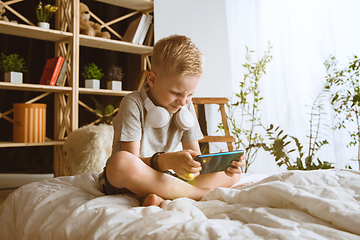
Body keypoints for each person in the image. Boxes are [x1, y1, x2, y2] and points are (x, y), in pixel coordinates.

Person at [98, 34, 245, 206]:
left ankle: (162, 196)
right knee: (120, 162)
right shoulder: (133, 103)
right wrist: (167, 160)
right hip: (130, 180)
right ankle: (198, 194)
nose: (183, 101)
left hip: (167, 178)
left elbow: (195, 160)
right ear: (152, 80)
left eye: (190, 94)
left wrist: (217, 163)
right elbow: (131, 160)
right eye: (176, 93)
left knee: (235, 174)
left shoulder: (185, 107)